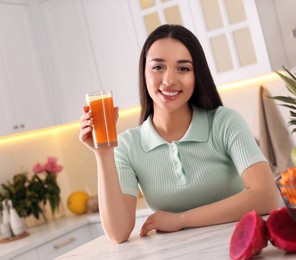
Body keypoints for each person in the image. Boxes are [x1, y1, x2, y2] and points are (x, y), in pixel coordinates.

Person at [79, 24, 280, 244]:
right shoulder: (128, 146)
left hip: (245, 247)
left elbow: (267, 196)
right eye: (158, 67)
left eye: (183, 68)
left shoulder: (225, 123)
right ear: (144, 74)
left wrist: (182, 219)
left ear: (196, 76)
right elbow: (118, 233)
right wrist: (103, 153)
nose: (169, 80)